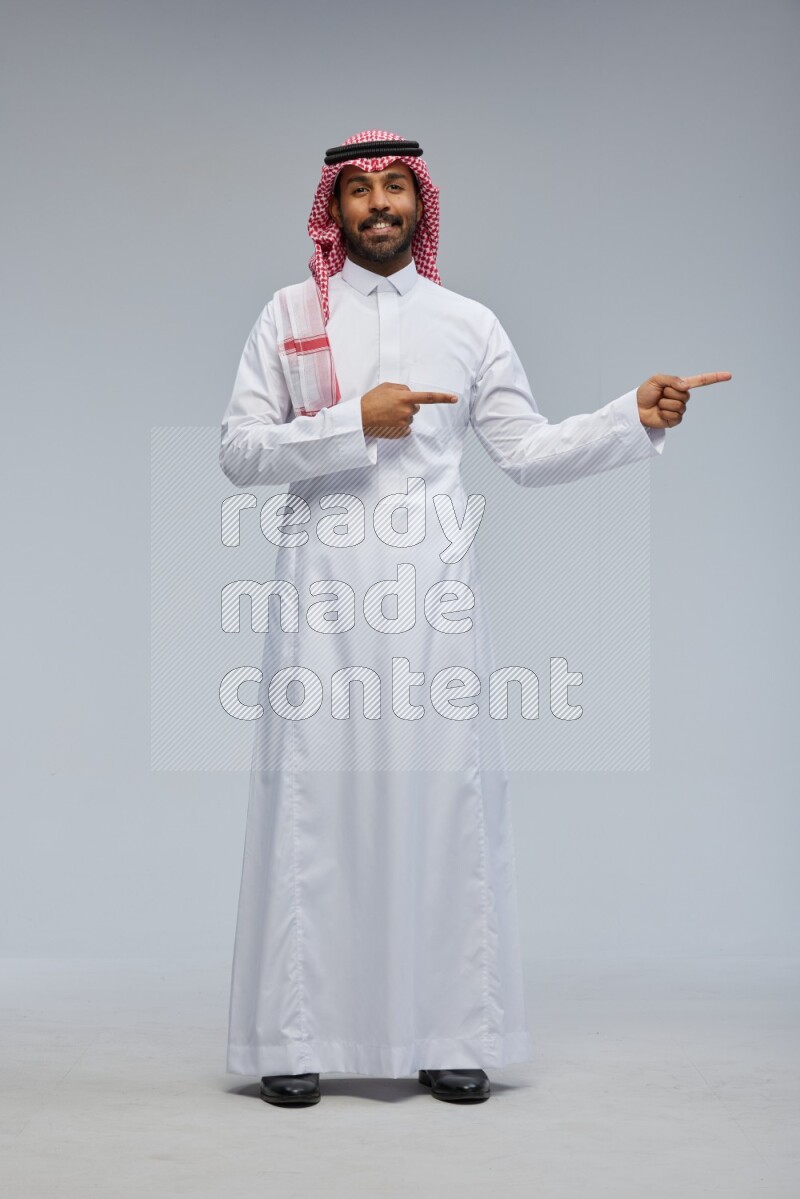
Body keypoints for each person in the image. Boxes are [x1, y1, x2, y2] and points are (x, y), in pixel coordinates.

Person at [218, 129, 731, 1107]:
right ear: (334, 208)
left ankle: (451, 1032)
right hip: (322, 594)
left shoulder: (468, 322)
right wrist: (344, 424)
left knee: (441, 805)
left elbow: (528, 451)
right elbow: (239, 451)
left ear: (420, 201)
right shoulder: (287, 316)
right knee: (312, 808)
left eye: (394, 188)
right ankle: (294, 1033)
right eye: (358, 190)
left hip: (433, 600)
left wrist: (637, 414)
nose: (377, 204)